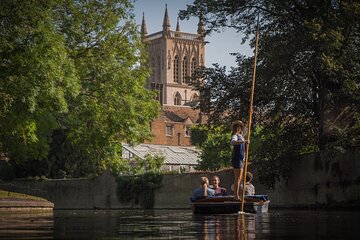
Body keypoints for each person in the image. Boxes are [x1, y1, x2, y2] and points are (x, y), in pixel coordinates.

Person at [230, 120, 248, 200]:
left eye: (239, 127)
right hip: (237, 158)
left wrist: (247, 123)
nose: (238, 128)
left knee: (239, 178)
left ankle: (237, 195)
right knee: (237, 178)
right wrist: (243, 141)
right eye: (236, 127)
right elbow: (233, 142)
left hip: (241, 158)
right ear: (234, 128)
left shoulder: (241, 135)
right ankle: (236, 196)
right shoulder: (235, 136)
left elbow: (247, 129)